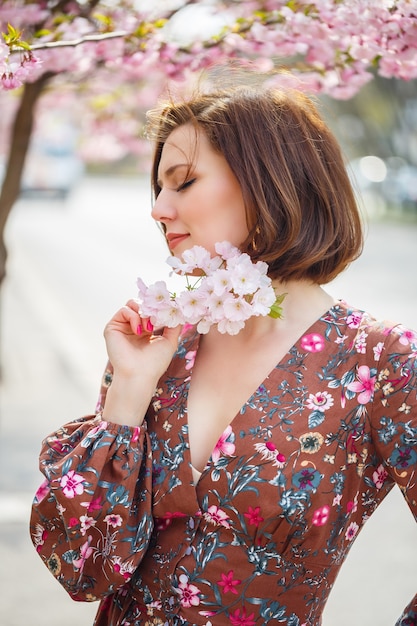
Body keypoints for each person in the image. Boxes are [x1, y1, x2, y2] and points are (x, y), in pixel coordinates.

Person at [30, 85, 417, 626]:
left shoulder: (379, 362)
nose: (158, 209)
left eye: (184, 182)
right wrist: (127, 394)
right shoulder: (160, 344)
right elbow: (83, 569)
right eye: (158, 187)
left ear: (270, 181)